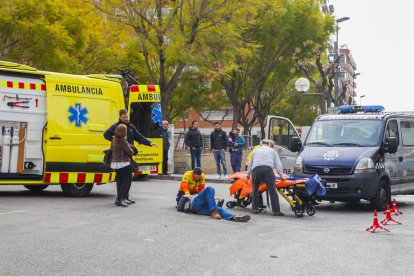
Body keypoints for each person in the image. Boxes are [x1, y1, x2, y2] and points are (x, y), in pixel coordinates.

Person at [104, 109, 158, 204]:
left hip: (127, 156)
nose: (126, 119)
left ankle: (125, 197)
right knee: (124, 179)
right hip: (121, 156)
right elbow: (106, 134)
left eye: (127, 117)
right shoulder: (117, 126)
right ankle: (120, 198)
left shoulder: (131, 127)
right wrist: (115, 140)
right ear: (120, 117)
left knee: (126, 178)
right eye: (124, 117)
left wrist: (149, 143)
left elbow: (139, 136)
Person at [176, 167, 250, 222]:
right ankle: (214, 212)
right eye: (196, 177)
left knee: (219, 209)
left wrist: (218, 201)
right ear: (193, 174)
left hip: (199, 209)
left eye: (199, 177)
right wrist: (188, 195)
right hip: (192, 200)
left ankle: (233, 217)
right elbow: (184, 186)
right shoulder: (188, 174)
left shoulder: (202, 177)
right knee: (210, 189)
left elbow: (202, 190)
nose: (198, 178)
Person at [247, 139, 284, 216]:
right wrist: (281, 175)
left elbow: (250, 164)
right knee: (272, 190)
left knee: (255, 189)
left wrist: (248, 175)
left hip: (256, 169)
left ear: (261, 144)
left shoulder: (255, 151)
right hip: (268, 170)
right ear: (269, 144)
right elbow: (278, 164)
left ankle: (255, 209)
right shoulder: (272, 151)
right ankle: (276, 211)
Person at [110, 124, 134, 207]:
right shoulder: (123, 140)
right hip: (124, 163)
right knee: (126, 181)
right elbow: (130, 151)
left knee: (120, 181)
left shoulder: (114, 139)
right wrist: (132, 149)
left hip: (115, 163)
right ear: (124, 132)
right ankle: (119, 199)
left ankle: (120, 198)